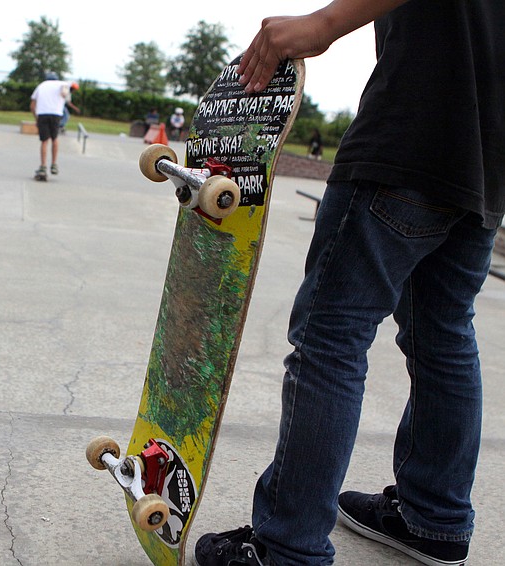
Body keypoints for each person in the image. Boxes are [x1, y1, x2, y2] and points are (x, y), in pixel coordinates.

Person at [194, 1, 504, 565]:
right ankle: (434, 519)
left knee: (330, 337)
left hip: (409, 144)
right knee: (444, 335)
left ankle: (289, 546)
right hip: (487, 164)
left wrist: (324, 23)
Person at [31, 72, 68, 179]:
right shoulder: (62, 84)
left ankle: (43, 166)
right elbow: (65, 93)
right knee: (55, 138)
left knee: (44, 141)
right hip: (56, 114)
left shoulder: (41, 86)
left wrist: (37, 119)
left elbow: (32, 106)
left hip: (42, 114)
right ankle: (54, 164)